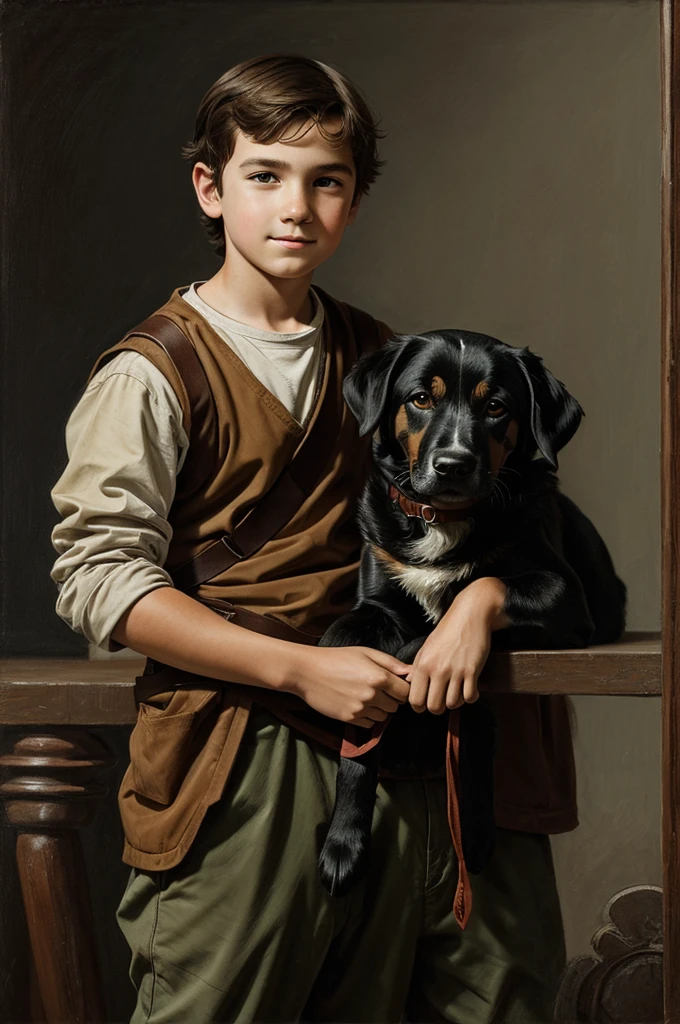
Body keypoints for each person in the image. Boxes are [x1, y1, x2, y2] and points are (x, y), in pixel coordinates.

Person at [50, 53, 572, 1024]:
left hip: (400, 745)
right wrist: (296, 670)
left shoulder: (390, 357)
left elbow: (505, 518)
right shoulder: (153, 371)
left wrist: (482, 596)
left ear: (352, 202)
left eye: (324, 180)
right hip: (240, 754)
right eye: (265, 175)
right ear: (209, 187)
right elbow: (100, 581)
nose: (295, 206)